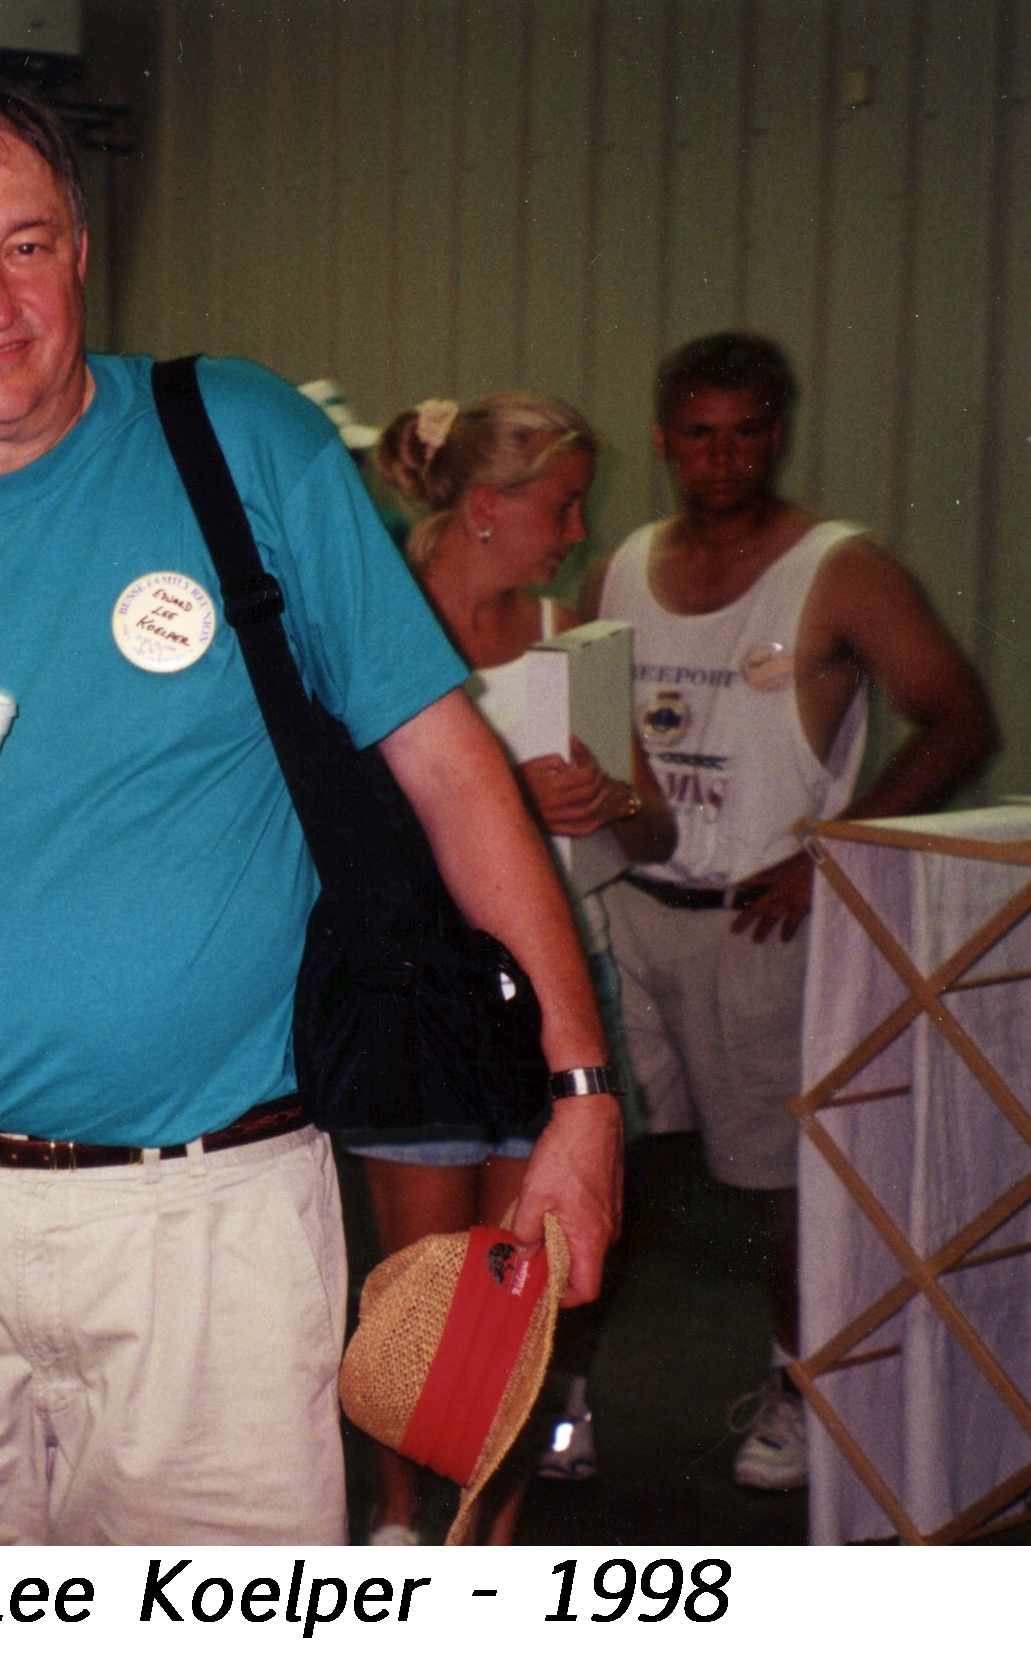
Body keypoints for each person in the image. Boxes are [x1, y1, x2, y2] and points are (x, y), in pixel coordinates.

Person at [0, 77, 623, 1545]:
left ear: (80, 253)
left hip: (212, 1216)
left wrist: (578, 1093)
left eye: (25, 244)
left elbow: (448, 763)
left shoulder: (236, 443)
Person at [586, 331, 997, 1493]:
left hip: (757, 921)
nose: (723, 457)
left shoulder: (837, 565)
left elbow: (957, 718)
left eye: (747, 431)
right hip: (627, 906)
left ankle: (800, 1386)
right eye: (700, 434)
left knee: (775, 1182)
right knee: (586, 1153)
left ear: (777, 430)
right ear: (664, 439)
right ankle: (554, 1389)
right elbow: (576, 726)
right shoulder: (618, 566)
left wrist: (833, 850)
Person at [355, 392, 675, 1543]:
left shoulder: (564, 632)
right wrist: (489, 806)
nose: (580, 529)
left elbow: (656, 835)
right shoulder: (373, 622)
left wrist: (612, 800)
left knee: (517, 1294)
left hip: (555, 987)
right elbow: (335, 831)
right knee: (422, 1284)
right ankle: (396, 1517)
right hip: (423, 987)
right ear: (484, 507)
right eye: (563, 503)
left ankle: (485, 1540)